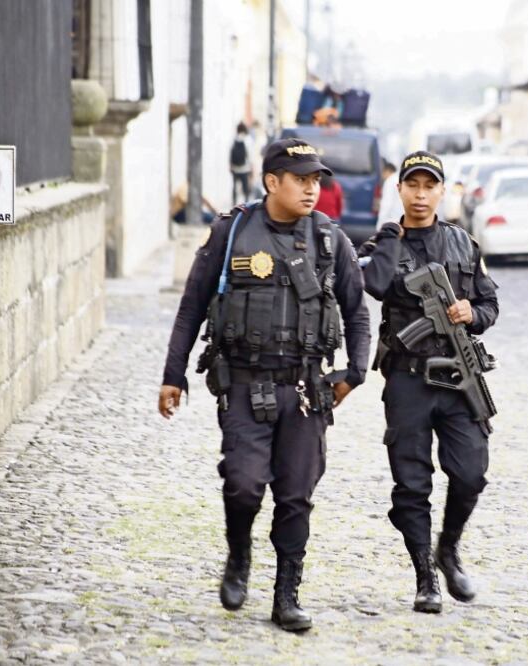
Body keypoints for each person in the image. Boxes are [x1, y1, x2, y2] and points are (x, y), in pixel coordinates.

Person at [158, 138, 371, 632]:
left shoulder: (330, 240)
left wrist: (355, 372)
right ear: (272, 181)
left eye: (316, 180)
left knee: (295, 497)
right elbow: (192, 306)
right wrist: (173, 375)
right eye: (301, 179)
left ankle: (287, 595)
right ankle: (239, 553)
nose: (311, 189)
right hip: (244, 386)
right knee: (243, 485)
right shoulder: (232, 232)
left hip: (305, 391)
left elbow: (358, 312)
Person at [358, 150, 499, 614]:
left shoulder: (462, 244)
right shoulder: (385, 244)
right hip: (409, 378)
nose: (420, 195)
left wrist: (471, 312)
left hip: (458, 379)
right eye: (412, 185)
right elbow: (374, 286)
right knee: (411, 484)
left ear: (442, 191)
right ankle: (424, 576)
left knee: (471, 474)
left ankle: (448, 549)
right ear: (399, 189)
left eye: (429, 186)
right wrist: (387, 241)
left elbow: (490, 305)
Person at [230, 122, 253, 205]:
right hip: (244, 168)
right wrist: (251, 167)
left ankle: (234, 203)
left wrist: (230, 165)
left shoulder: (234, 139)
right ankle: (246, 204)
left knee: (234, 187)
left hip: (235, 168)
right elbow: (250, 155)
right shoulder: (247, 139)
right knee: (245, 188)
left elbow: (230, 152)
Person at [377, 159, 403, 227]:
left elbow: (386, 204)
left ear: (387, 171)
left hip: (392, 222)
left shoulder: (390, 181)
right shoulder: (401, 179)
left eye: (383, 173)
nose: (382, 176)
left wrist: (379, 226)